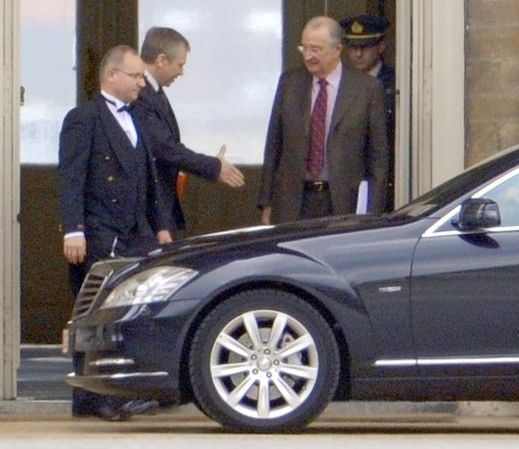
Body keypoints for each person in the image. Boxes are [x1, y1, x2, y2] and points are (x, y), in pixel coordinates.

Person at [58, 45, 168, 420]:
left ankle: (123, 389)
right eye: (136, 76)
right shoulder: (83, 118)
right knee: (95, 314)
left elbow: (149, 179)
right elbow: (71, 178)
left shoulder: (138, 116)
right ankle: (92, 396)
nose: (142, 82)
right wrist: (73, 230)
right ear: (112, 76)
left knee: (133, 312)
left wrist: (162, 227)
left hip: (135, 230)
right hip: (98, 231)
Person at [258, 16, 389, 224]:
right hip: (293, 202)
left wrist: (372, 213)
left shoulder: (367, 89)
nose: (309, 56)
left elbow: (378, 159)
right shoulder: (289, 84)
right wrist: (266, 203)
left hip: (343, 203)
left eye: (316, 50)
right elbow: (274, 144)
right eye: (305, 48)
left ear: (337, 50)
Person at [136, 26, 245, 238]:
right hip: (149, 210)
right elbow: (165, 148)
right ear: (161, 60)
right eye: (180, 65)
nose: (181, 72)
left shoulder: (155, 92)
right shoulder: (141, 95)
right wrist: (213, 167)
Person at [340, 14, 395, 211]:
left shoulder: (393, 83)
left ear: (381, 47)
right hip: (346, 185)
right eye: (353, 47)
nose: (358, 54)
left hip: (384, 183)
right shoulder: (338, 84)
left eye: (365, 47)